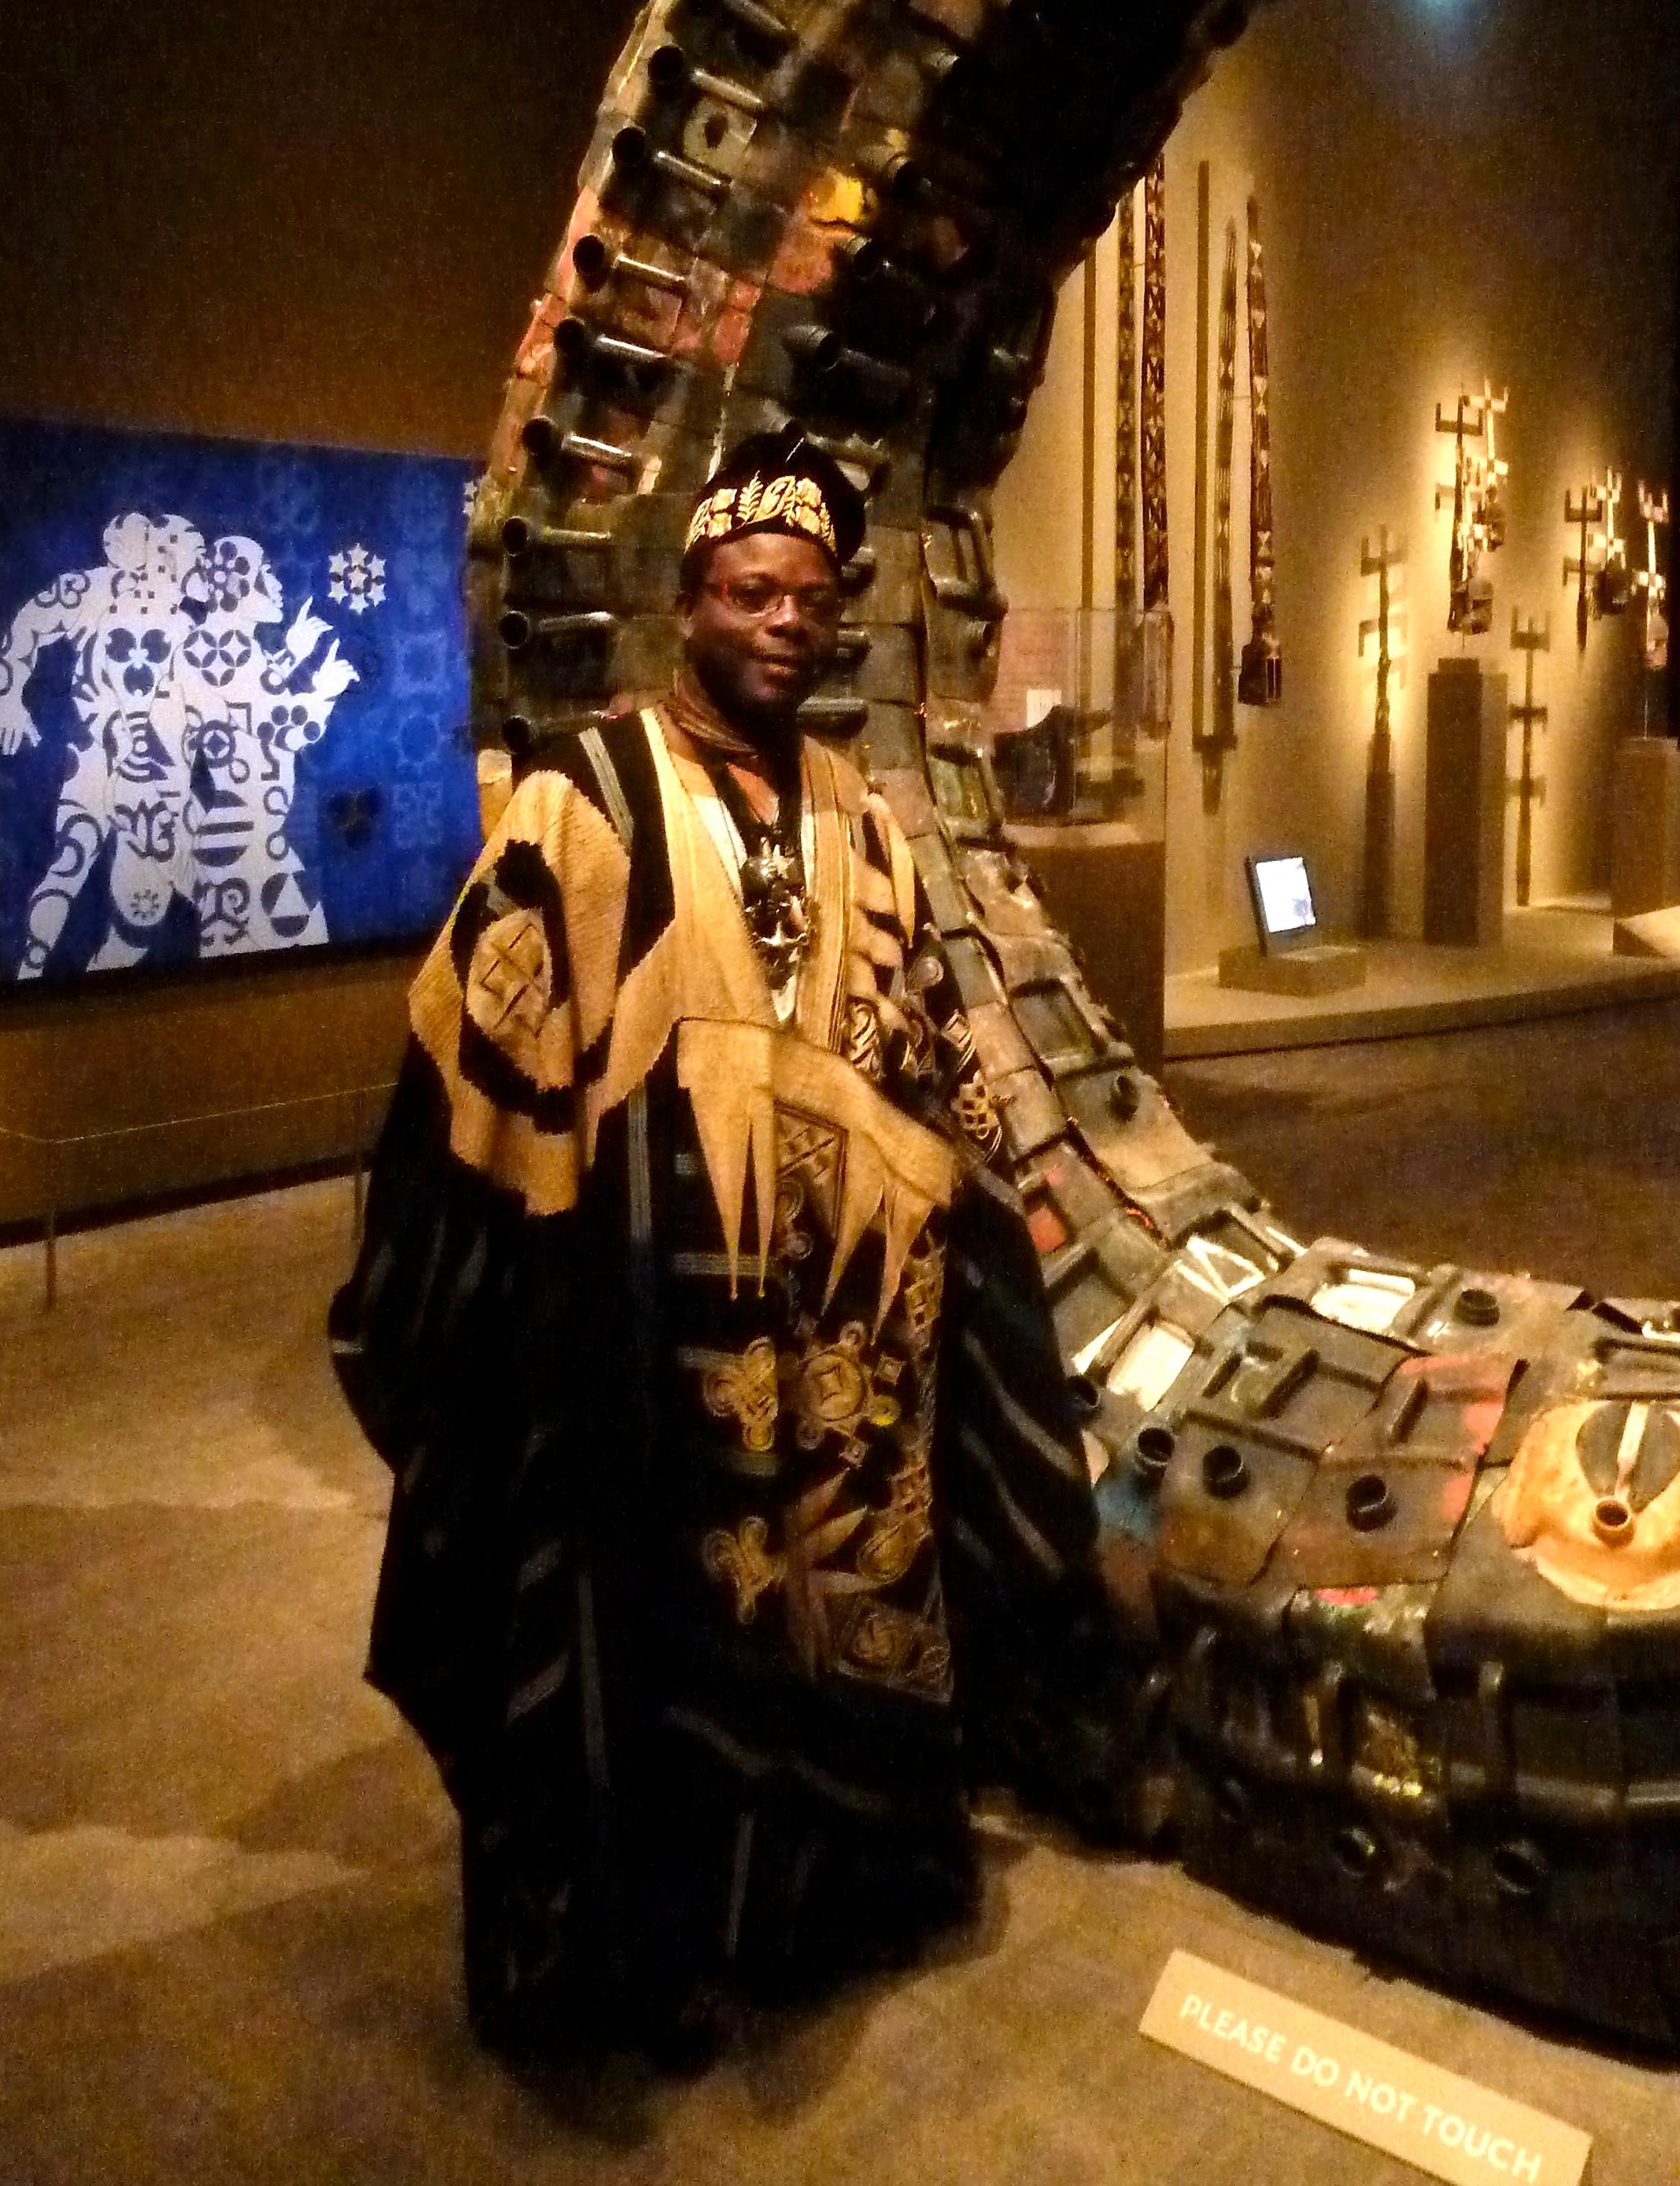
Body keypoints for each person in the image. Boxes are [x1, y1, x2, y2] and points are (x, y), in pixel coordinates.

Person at [330, 431, 1106, 2063]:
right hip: (638, 1327)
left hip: (835, 1340)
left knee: (830, 1605)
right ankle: (642, 1956)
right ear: (688, 601)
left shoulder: (859, 816)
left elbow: (926, 1043)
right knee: (644, 1637)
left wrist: (987, 1200)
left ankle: (810, 1912)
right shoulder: (587, 798)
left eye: (810, 599)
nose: (783, 623)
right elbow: (476, 1046)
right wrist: (483, 1298)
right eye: (752, 592)